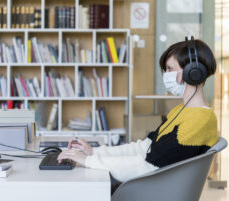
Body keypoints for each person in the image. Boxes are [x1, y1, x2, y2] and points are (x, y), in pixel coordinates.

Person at [57, 37, 219, 189]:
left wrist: (88, 161)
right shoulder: (182, 111)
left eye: (170, 69)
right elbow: (145, 148)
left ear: (193, 71)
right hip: (148, 185)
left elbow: (148, 165)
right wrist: (94, 153)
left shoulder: (200, 119)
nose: (166, 75)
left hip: (150, 189)